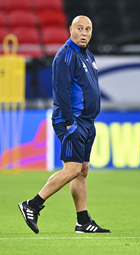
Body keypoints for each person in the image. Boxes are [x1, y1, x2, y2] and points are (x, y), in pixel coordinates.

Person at [18, 16, 110, 234]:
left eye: (88, 29)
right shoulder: (65, 56)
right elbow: (61, 91)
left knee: (82, 171)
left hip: (87, 122)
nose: (84, 33)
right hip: (72, 121)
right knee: (73, 169)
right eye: (80, 28)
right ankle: (32, 205)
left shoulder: (87, 54)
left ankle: (83, 221)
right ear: (71, 30)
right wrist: (69, 123)